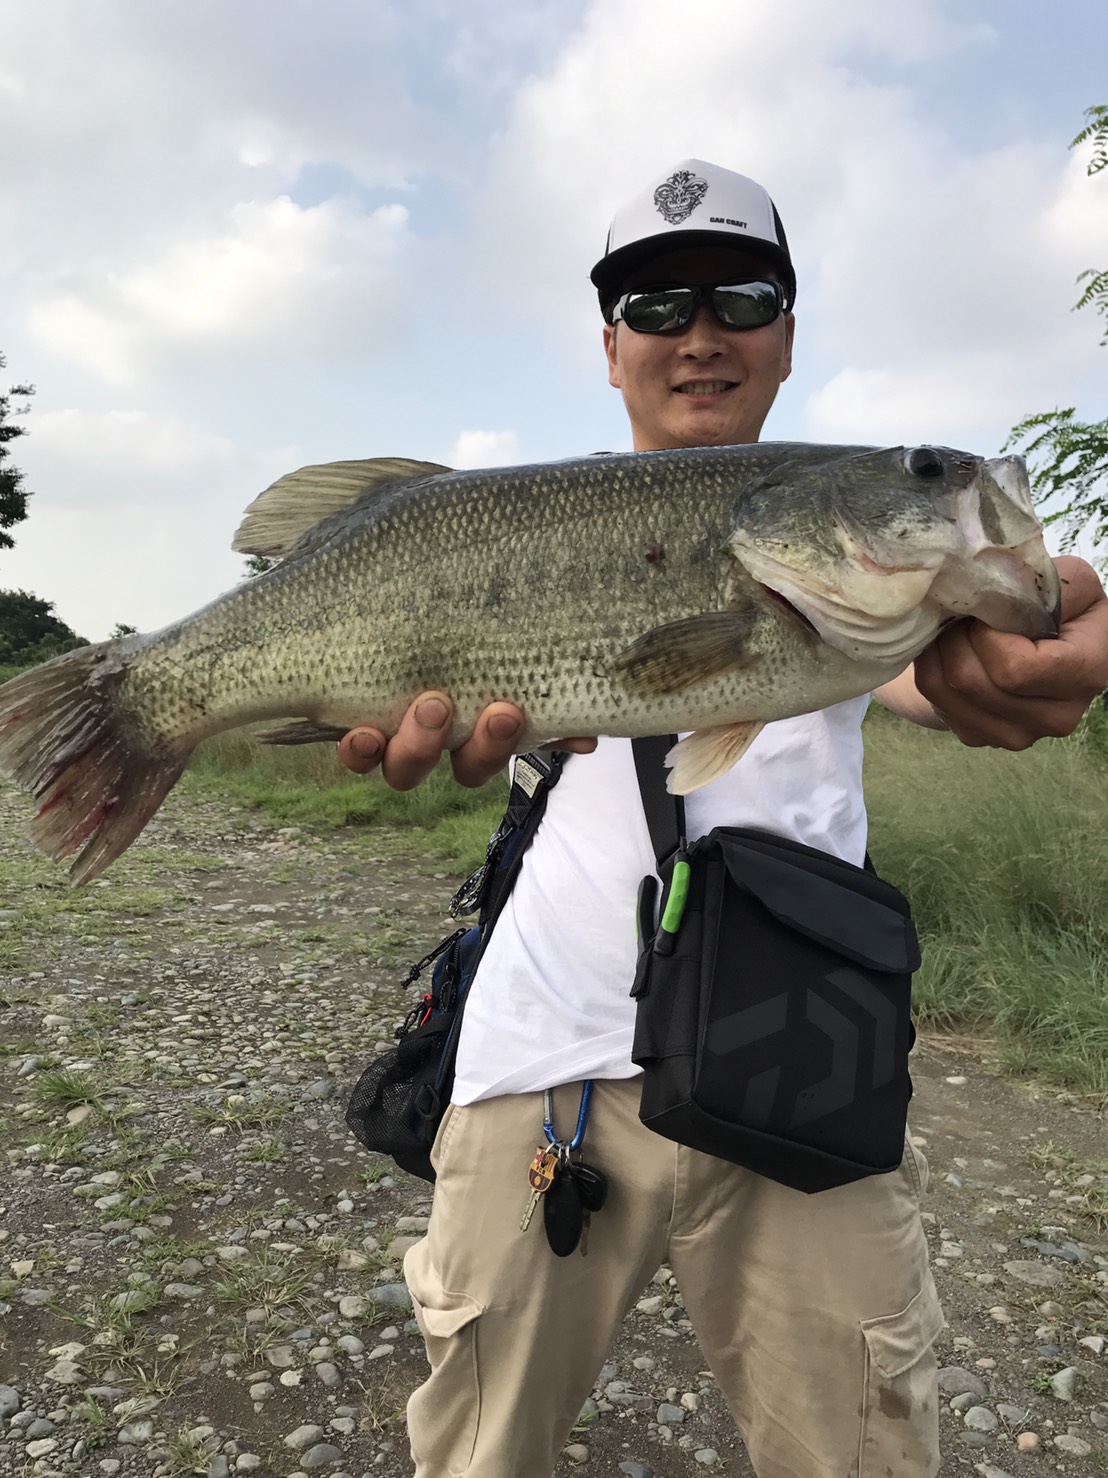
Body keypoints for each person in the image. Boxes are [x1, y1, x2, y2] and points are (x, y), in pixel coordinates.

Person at [338, 160, 1108, 1478]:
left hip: (806, 1070)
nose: (700, 331)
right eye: (655, 302)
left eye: (743, 296)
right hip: (545, 1066)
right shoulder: (527, 521)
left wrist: (1056, 644)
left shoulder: (875, 608)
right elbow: (402, 717)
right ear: (611, 345)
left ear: (789, 335)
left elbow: (970, 661)